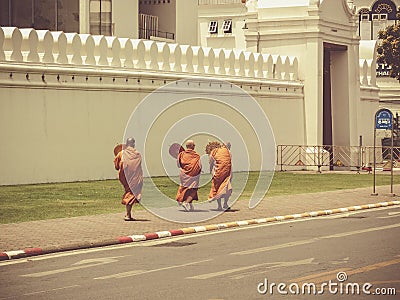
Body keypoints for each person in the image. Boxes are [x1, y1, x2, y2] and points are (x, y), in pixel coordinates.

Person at [114, 137, 143, 221]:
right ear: (134, 144)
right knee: (131, 193)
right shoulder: (137, 154)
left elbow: (116, 166)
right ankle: (128, 214)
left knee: (129, 192)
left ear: (126, 144)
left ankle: (128, 214)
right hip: (134, 178)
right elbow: (138, 166)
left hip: (125, 178)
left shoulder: (121, 153)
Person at [176, 140, 202, 211]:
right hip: (193, 175)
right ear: (191, 146)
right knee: (193, 189)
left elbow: (178, 165)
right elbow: (199, 166)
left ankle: (191, 206)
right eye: (194, 145)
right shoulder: (196, 155)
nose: (194, 146)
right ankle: (186, 203)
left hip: (183, 175)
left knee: (185, 188)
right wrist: (198, 171)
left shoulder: (181, 154)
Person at [207, 141, 232, 211]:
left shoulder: (225, 152)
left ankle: (223, 205)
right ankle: (222, 205)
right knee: (222, 189)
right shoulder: (224, 152)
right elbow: (211, 161)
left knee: (222, 189)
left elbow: (211, 161)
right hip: (222, 173)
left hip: (222, 174)